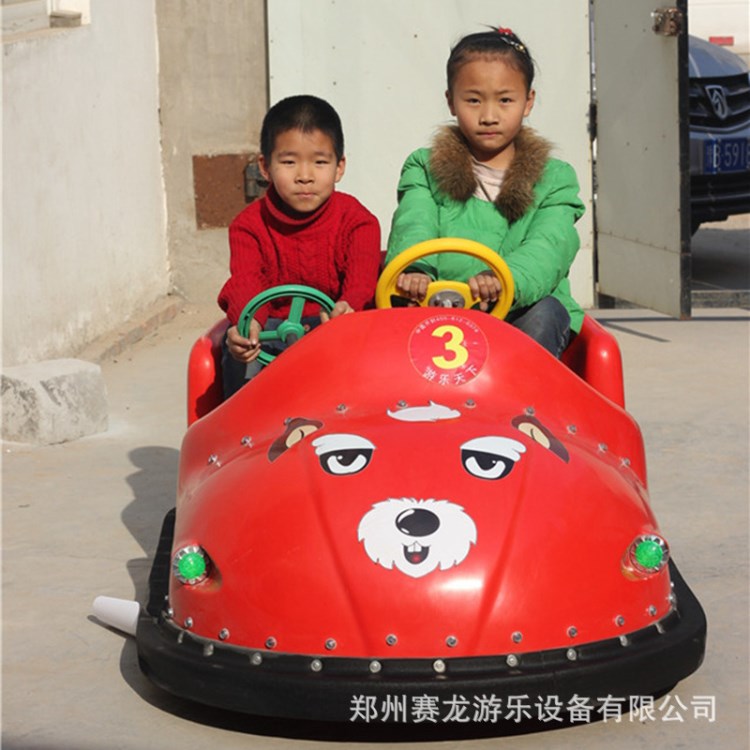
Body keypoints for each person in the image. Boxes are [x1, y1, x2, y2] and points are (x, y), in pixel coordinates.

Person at [386, 27, 586, 357]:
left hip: (517, 312)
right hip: (437, 311)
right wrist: (415, 272)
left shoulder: (555, 178)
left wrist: (503, 279)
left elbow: (549, 246)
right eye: (473, 100)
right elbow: (414, 223)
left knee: (545, 314)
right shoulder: (424, 167)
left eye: (505, 100)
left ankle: (524, 404)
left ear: (528, 101)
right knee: (387, 326)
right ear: (451, 101)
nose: (489, 116)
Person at [218, 95, 381, 398]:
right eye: (289, 162)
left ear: (339, 166)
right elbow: (246, 282)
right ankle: (243, 437)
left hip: (335, 332)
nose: (305, 176)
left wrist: (348, 309)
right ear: (265, 167)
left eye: (320, 162)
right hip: (272, 333)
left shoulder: (359, 222)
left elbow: (362, 283)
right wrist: (249, 324)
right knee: (234, 353)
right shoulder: (248, 226)